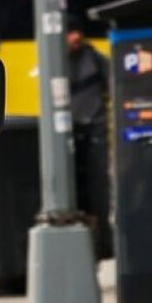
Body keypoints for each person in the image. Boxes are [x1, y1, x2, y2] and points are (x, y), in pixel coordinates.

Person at [64, 26, 110, 258]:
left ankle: (102, 241)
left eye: (77, 31)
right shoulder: (56, 61)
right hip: (69, 133)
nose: (76, 37)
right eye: (70, 33)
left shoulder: (94, 58)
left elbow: (113, 84)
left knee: (97, 187)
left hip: (94, 129)